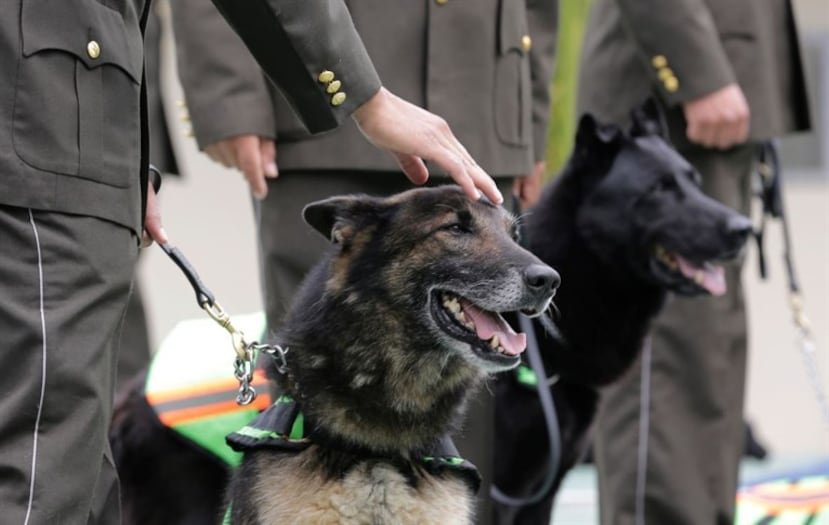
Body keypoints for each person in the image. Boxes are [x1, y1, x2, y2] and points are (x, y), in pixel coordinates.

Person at [0, 0, 508, 522]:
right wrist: (358, 101)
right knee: (51, 461)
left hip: (74, 128)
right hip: (67, 122)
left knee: (69, 464)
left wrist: (125, 155)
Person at [168, 1, 558, 522]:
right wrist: (229, 97)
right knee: (304, 406)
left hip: (482, 112)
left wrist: (528, 118)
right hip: (317, 113)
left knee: (461, 429)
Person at [576, 1, 811, 523]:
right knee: (672, 349)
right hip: (674, 104)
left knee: (708, 348)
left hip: (717, 98)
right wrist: (695, 70)